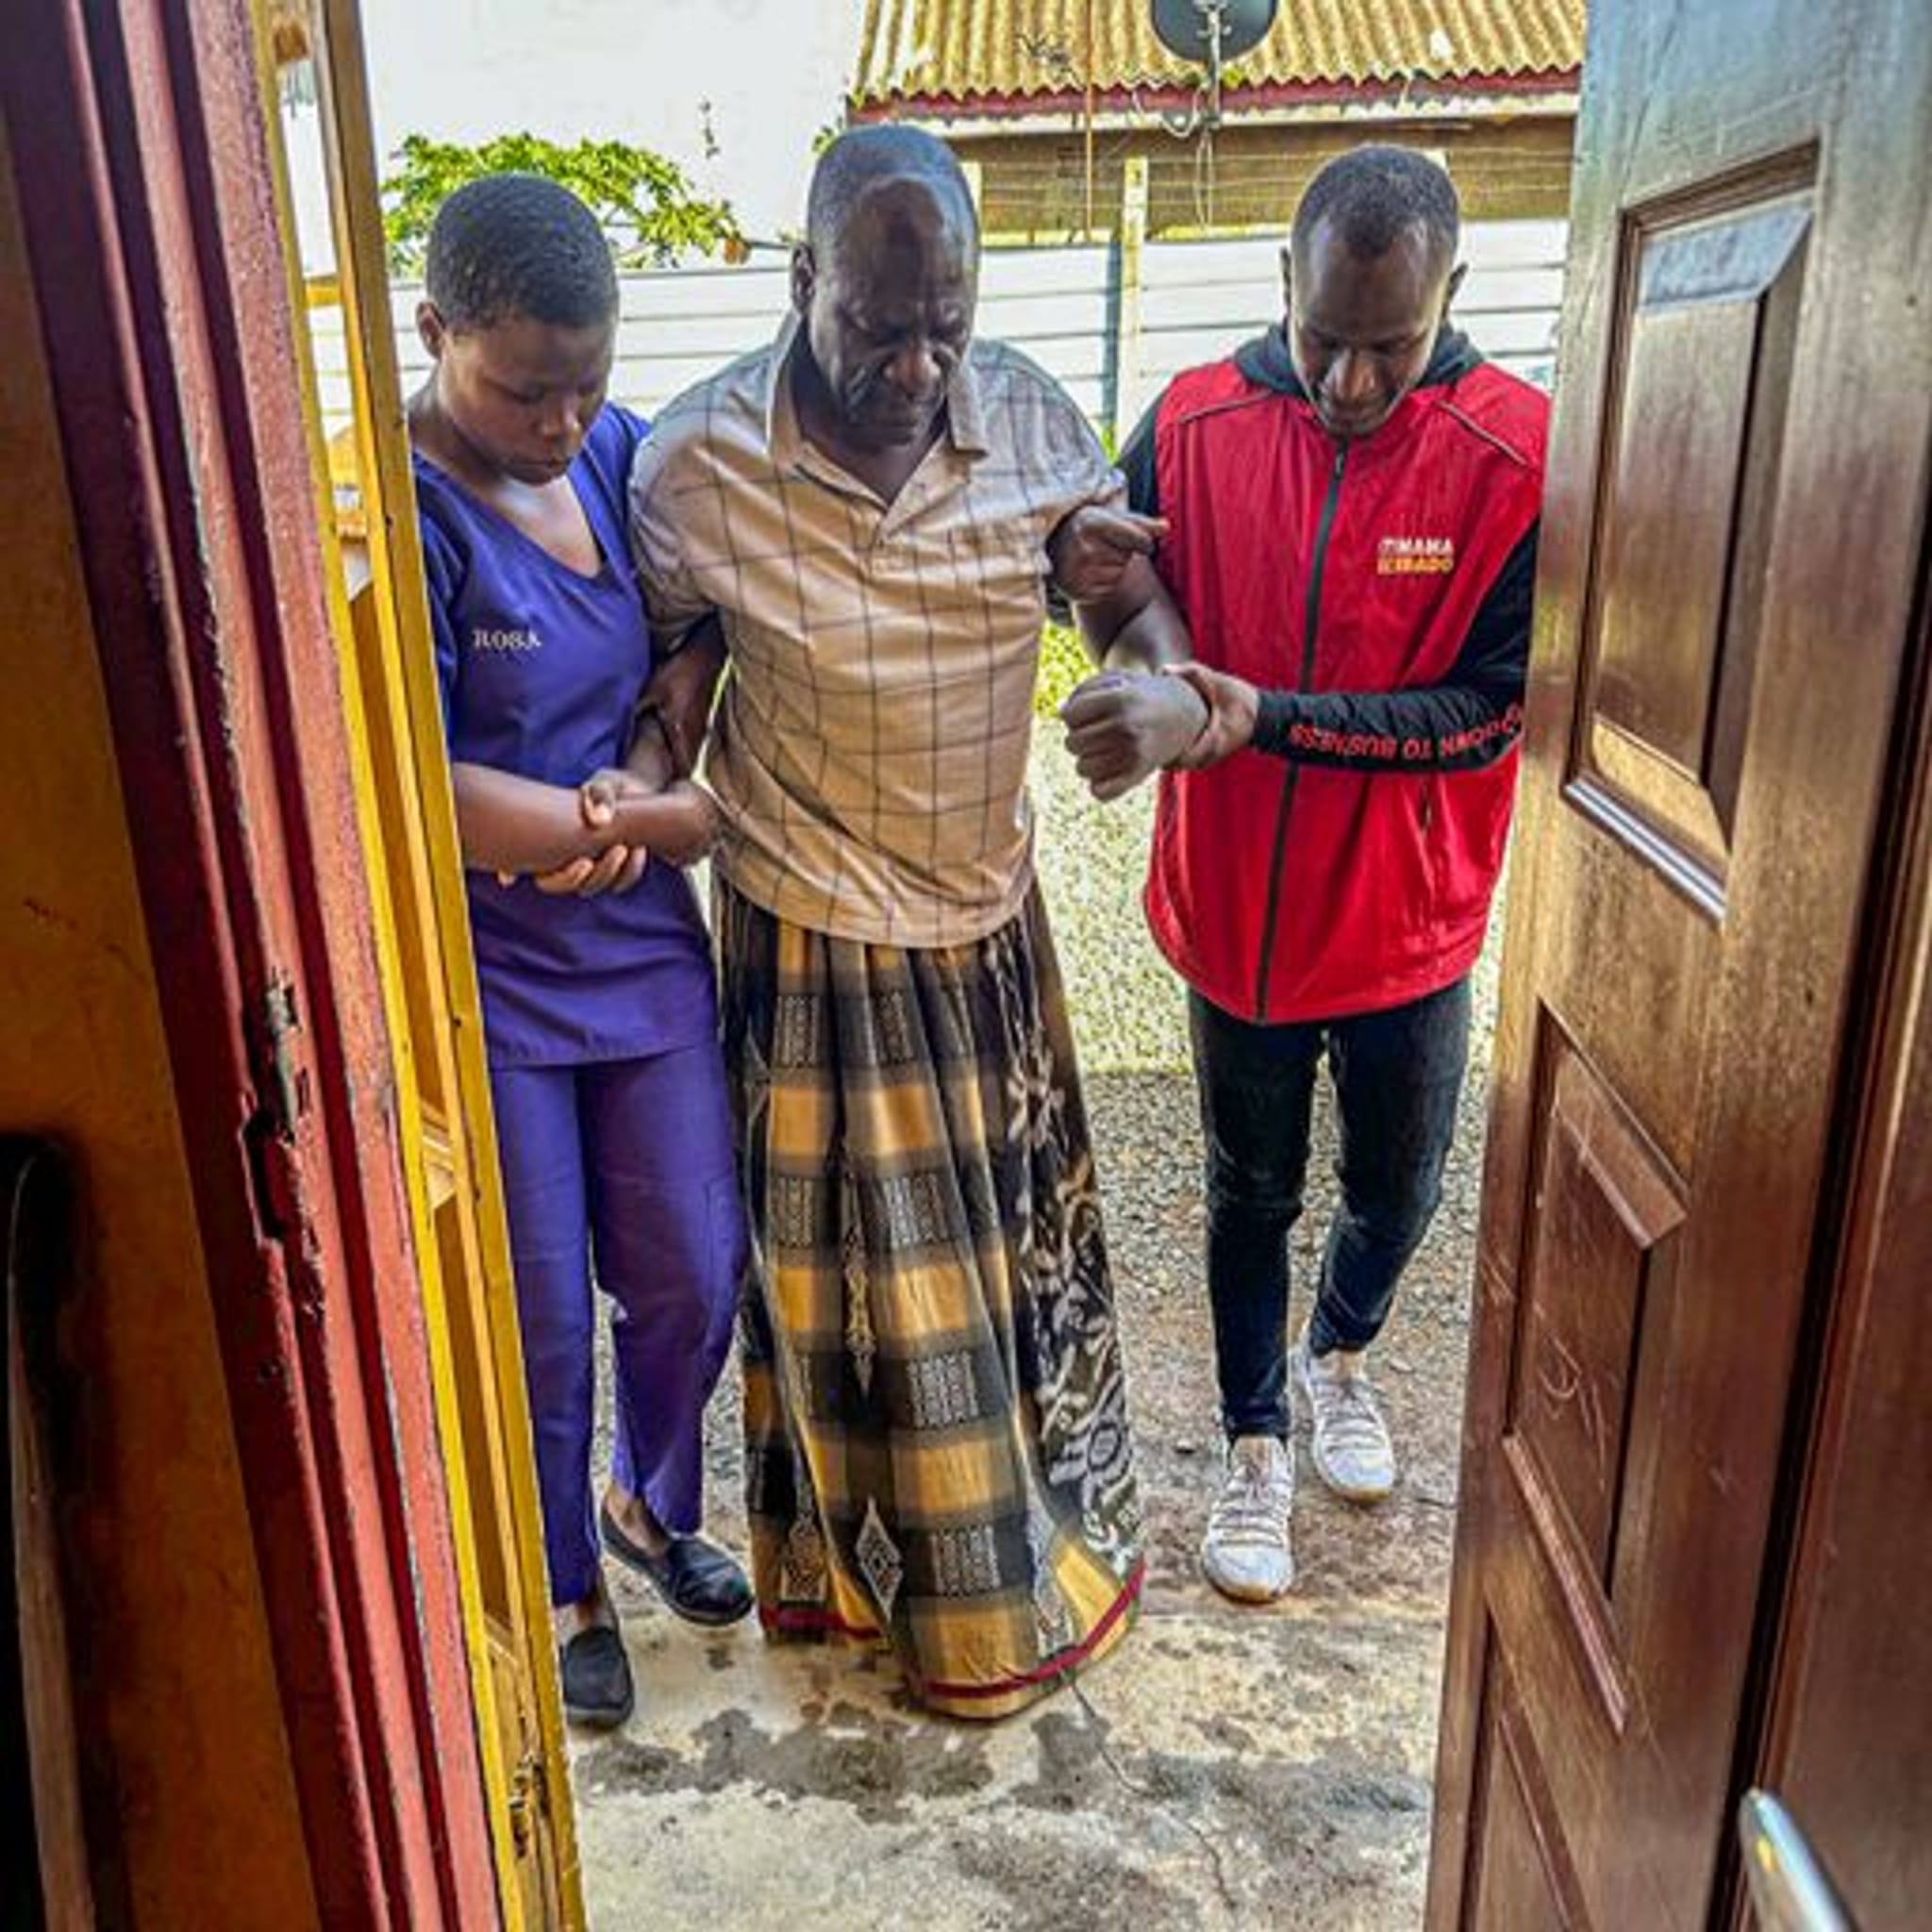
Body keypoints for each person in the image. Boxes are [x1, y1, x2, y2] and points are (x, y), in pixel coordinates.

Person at [627, 126, 1203, 1719]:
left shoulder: (1027, 417)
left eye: (947, 325)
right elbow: (678, 660)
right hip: (807, 929)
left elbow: (1121, 600)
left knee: (1004, 1278)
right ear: (801, 279)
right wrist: (647, 777)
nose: (918, 368)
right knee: (858, 1306)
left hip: (986, 924)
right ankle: (895, 1595)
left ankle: (1029, 1558)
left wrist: (1156, 684)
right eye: (881, 329)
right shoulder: (694, 465)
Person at [1062, 145, 1548, 1604]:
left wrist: (1258, 716)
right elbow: (1113, 588)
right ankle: (1256, 1440)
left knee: (1397, 1190)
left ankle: (1340, 1354)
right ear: (1284, 280)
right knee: (1246, 1191)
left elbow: (1487, 712)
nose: (1348, 380)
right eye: (1324, 336)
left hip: (1409, 924)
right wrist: (1114, 633)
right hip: (1239, 924)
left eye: (1389, 346)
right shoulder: (1192, 421)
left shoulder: (1517, 457)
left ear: (1453, 296)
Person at [407, 174, 753, 1728]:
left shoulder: (619, 459)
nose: (559, 423)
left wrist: (656, 752)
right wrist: (619, 820)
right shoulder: (406, 514)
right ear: (437, 331)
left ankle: (646, 1501)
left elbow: (690, 628)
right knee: (539, 1309)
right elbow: (416, 773)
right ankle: (561, 1584)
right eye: (522, 389)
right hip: (494, 976)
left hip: (640, 951)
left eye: (586, 384)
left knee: (690, 1261)